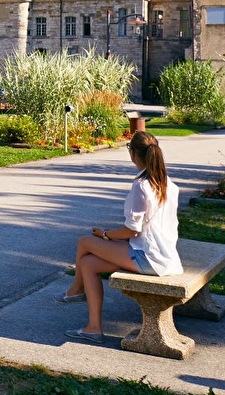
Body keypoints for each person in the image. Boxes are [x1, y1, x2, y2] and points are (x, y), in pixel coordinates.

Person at [61, 130, 183, 343]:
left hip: (147, 257)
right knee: (88, 263)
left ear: (133, 153)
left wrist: (105, 234)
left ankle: (75, 291)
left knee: (85, 242)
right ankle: (93, 328)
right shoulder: (168, 184)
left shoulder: (141, 186)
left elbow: (132, 230)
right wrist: (111, 238)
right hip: (164, 256)